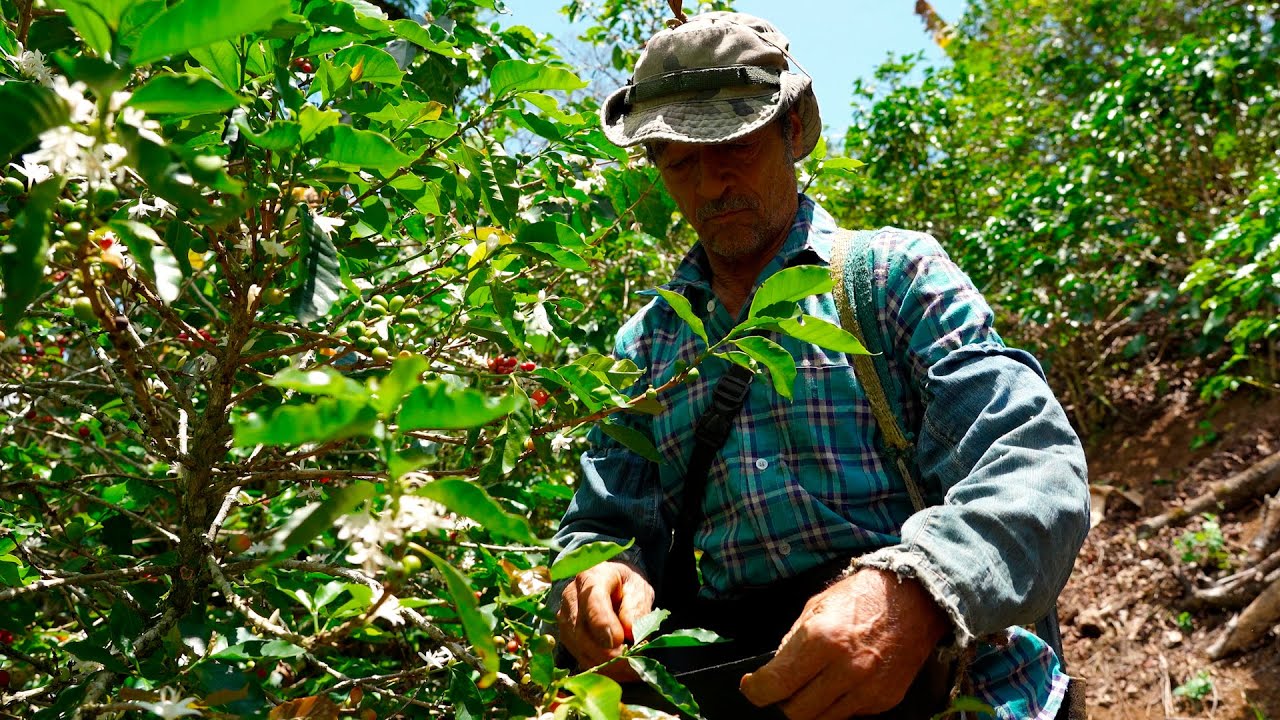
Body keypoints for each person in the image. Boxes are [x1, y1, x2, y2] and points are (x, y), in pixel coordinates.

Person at [549, 11, 1089, 720]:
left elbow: (1034, 464)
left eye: (733, 146)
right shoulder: (646, 348)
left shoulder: (892, 279)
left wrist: (918, 589)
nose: (710, 185)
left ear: (794, 127)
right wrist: (598, 575)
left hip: (955, 690)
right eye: (679, 161)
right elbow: (603, 521)